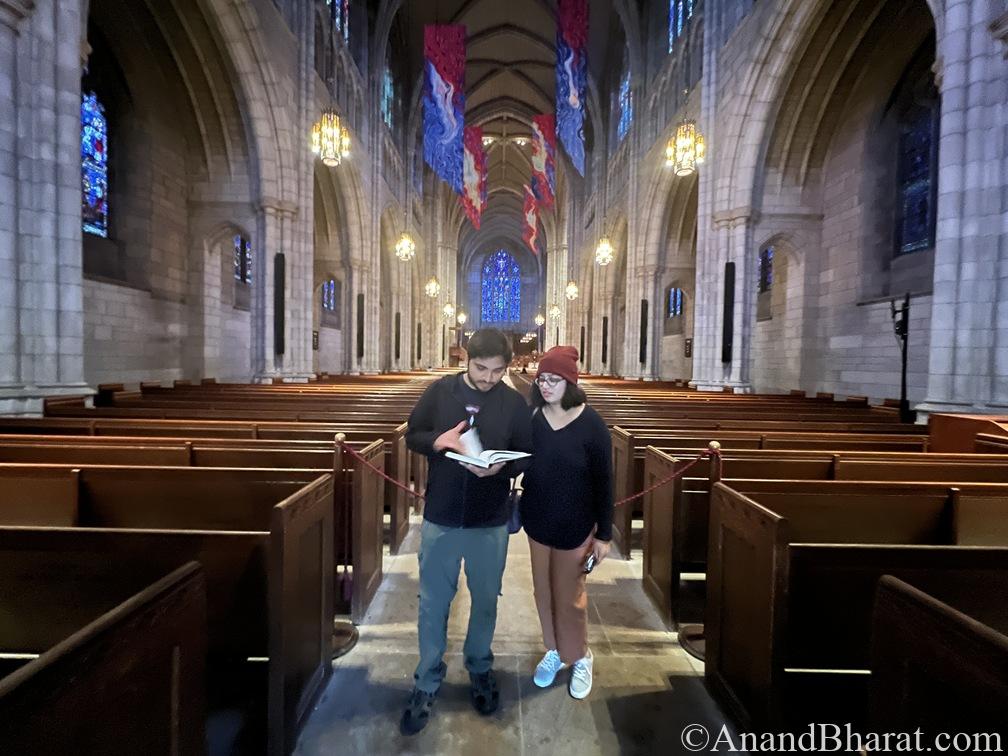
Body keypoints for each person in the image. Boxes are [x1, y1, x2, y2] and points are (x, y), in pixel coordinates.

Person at [401, 328, 533, 735]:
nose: (489, 377)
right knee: (433, 603)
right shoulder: (440, 392)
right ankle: (426, 679)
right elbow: (413, 435)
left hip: (488, 518)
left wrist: (502, 468)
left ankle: (479, 667)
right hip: (441, 514)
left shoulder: (513, 403)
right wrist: (437, 442)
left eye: (497, 371)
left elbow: (526, 452)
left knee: (486, 601)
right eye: (481, 368)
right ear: (466, 359)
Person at [519, 345, 612, 699]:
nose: (545, 386)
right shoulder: (534, 418)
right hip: (538, 521)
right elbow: (521, 460)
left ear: (570, 382)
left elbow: (605, 483)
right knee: (543, 591)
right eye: (542, 379)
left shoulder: (592, 425)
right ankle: (555, 651)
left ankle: (580, 656)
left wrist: (604, 534)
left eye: (553, 380)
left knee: (569, 595)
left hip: (576, 524)